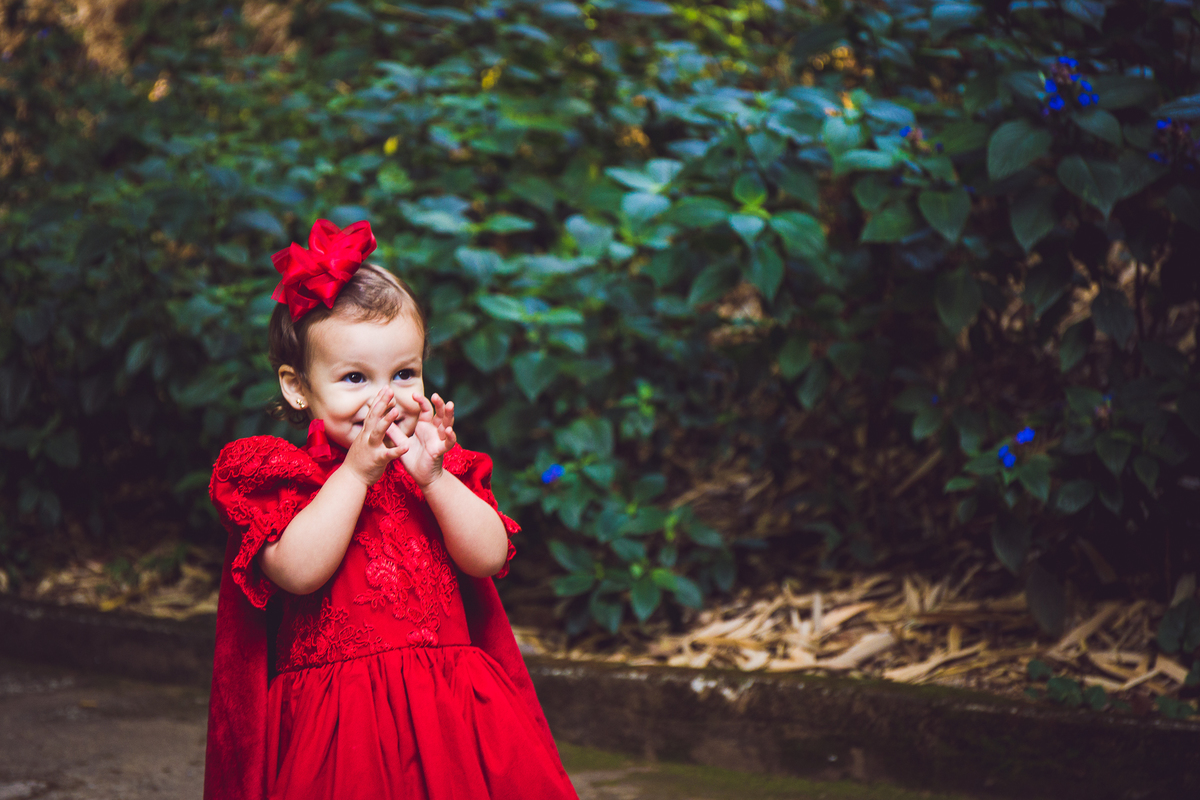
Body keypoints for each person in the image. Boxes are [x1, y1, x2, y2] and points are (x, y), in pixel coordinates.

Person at [204, 219, 578, 800]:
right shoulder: (285, 477)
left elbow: (490, 558)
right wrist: (355, 473)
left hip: (453, 716)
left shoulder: (432, 467)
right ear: (298, 387)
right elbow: (297, 572)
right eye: (355, 377)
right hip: (342, 729)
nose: (386, 398)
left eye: (404, 373)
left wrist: (435, 480)